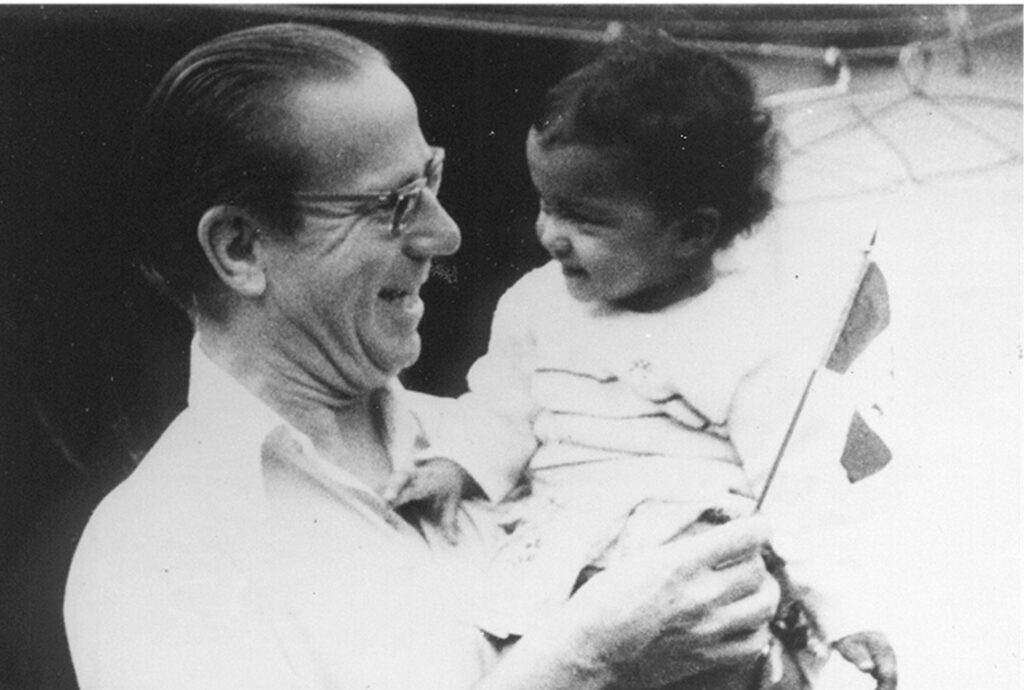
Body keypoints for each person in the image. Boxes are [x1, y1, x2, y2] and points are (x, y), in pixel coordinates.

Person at [63, 23, 783, 690]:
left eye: (430, 180)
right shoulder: (155, 557)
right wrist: (585, 664)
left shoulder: (537, 435)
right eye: (394, 204)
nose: (446, 235)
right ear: (241, 249)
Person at [385, 31, 897, 690]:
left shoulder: (752, 333)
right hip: (563, 557)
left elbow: (803, 486)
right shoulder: (538, 304)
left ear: (690, 232)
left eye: (585, 219)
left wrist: (846, 613)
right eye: (545, 203)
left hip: (689, 561)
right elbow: (502, 409)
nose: (549, 234)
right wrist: (459, 466)